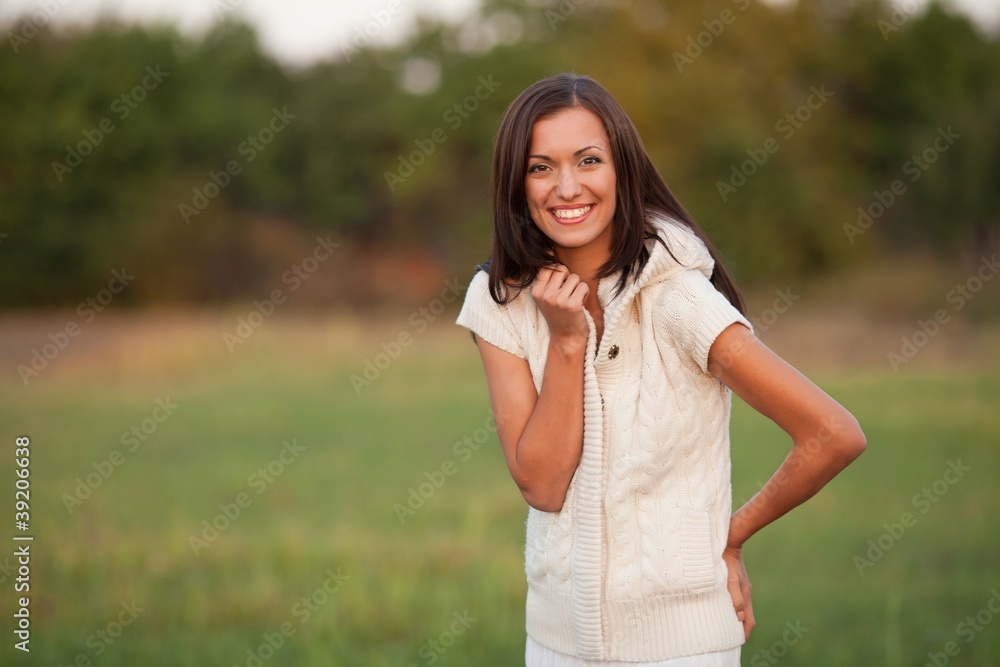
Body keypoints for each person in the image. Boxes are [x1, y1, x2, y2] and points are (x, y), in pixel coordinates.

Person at [455, 72, 866, 667]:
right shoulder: (502, 298)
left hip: (682, 650)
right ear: (516, 184)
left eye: (588, 160)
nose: (566, 187)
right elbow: (541, 485)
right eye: (540, 167)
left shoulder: (679, 298)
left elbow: (832, 433)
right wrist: (568, 343)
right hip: (554, 644)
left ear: (622, 168)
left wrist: (731, 536)